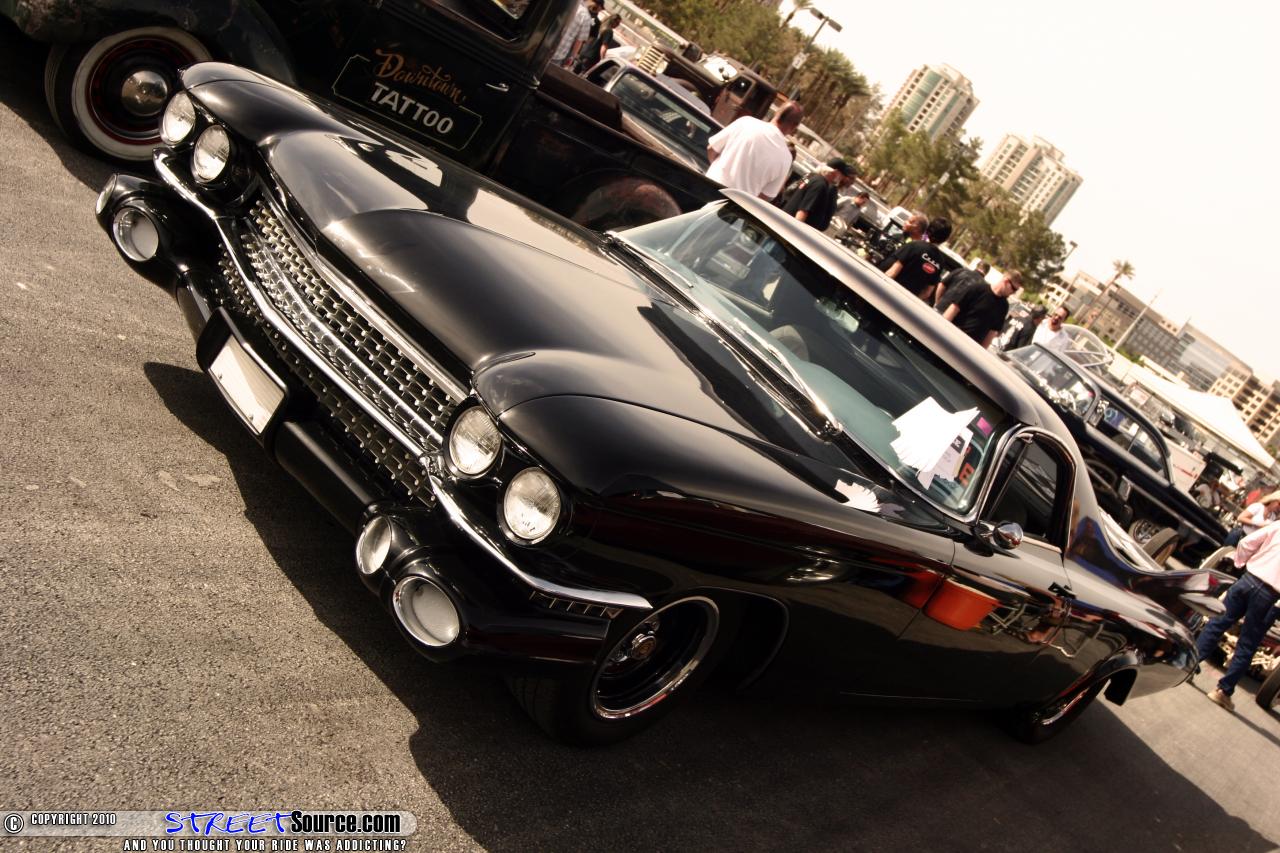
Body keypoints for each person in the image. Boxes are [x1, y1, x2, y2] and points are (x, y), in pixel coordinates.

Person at [1195, 520, 1280, 711]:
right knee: (1247, 644)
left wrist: (1240, 562)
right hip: (1269, 596)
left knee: (1217, 623)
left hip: (1248, 580)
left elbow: (1246, 542)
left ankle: (1189, 666)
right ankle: (1223, 691)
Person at [705, 102, 804, 201]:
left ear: (777, 112)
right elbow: (766, 196)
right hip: (733, 205)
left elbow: (711, 149)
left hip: (706, 187)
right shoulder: (786, 158)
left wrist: (720, 170)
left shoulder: (746, 122)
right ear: (794, 126)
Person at [942, 270, 1023, 348]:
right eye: (1014, 289)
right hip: (953, 337)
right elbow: (954, 308)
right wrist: (941, 330)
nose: (1013, 293)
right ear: (1006, 281)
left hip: (971, 348)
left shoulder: (1004, 306)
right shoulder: (978, 288)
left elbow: (992, 332)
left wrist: (981, 351)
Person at [884, 216, 953, 302]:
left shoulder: (914, 246)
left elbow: (892, 272)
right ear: (945, 239)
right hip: (906, 303)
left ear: (928, 230)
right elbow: (927, 292)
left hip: (889, 294)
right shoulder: (940, 261)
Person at [783, 159, 856, 230]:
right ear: (836, 172)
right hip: (790, 228)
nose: (842, 178)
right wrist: (794, 231)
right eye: (842, 175)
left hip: (789, 224)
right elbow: (803, 211)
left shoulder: (817, 180)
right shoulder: (820, 185)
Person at [550, 0, 594, 69]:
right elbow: (579, 41)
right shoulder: (586, 17)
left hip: (544, 43)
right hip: (558, 52)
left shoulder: (565, 3)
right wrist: (572, 57)